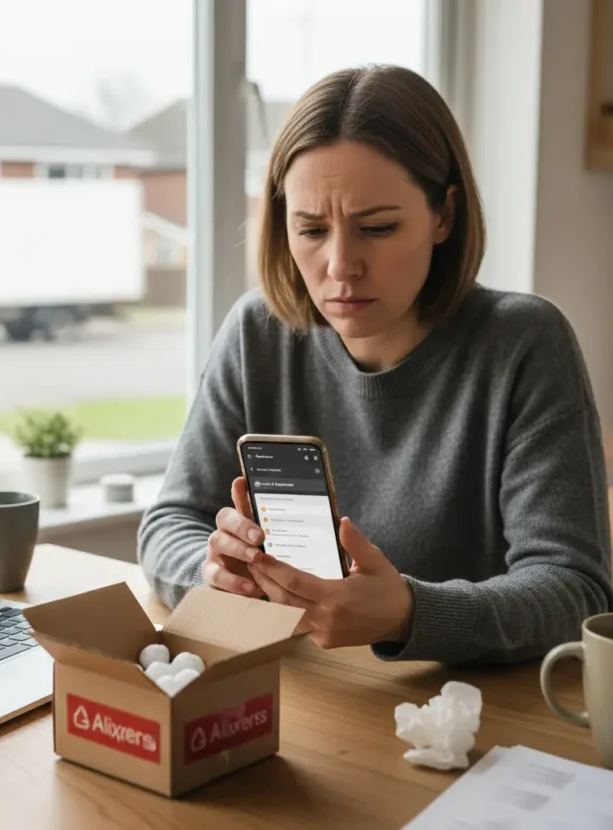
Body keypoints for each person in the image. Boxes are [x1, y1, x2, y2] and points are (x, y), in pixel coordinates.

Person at [137, 65, 613, 665]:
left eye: (378, 228)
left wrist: (410, 613)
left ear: (444, 215)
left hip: (465, 721)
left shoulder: (524, 344)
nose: (340, 266)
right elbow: (169, 524)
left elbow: (576, 591)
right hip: (304, 700)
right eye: (310, 229)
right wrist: (218, 575)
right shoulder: (256, 334)